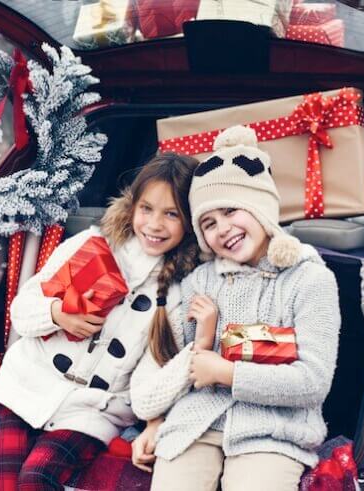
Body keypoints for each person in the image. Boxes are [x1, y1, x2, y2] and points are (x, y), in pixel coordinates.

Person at [130, 125, 341, 491]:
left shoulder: (309, 279)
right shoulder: (199, 282)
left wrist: (227, 373)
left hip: (273, 432)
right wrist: (154, 421)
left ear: (260, 207)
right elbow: (163, 365)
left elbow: (312, 383)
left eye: (231, 211)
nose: (223, 229)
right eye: (208, 223)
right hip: (195, 424)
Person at [0, 153, 211, 490]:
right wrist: (57, 314)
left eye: (171, 214)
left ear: (190, 221)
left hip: (94, 410)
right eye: (147, 209)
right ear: (132, 206)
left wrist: (154, 420)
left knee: (36, 478)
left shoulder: (179, 292)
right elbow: (22, 310)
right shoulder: (91, 244)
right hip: (27, 384)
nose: (154, 224)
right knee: (1, 483)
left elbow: (153, 370)